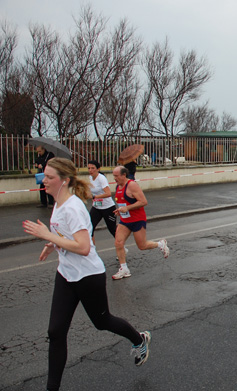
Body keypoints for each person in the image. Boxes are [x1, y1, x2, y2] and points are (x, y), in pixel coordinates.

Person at [22, 158, 151, 391]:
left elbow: (82, 247)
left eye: (50, 177)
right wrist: (51, 244)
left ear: (64, 181)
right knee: (55, 332)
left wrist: (48, 236)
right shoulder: (58, 204)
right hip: (66, 275)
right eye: (44, 176)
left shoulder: (73, 207)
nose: (44, 181)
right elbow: (64, 233)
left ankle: (139, 339)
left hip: (88, 276)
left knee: (103, 322)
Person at [112, 165, 170, 280]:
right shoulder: (118, 187)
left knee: (142, 246)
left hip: (137, 219)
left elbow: (143, 201)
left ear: (124, 175)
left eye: (116, 176)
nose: (114, 178)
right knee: (118, 243)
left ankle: (160, 244)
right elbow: (123, 203)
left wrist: (127, 208)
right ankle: (124, 269)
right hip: (125, 221)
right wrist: (120, 210)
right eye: (113, 176)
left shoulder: (132, 185)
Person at [88, 160, 117, 243]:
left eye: (93, 168)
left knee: (112, 230)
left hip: (108, 208)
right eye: (89, 168)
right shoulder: (90, 178)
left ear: (98, 169)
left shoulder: (101, 178)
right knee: (89, 228)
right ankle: (92, 251)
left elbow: (108, 193)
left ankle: (121, 247)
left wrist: (95, 197)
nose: (90, 170)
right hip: (96, 207)